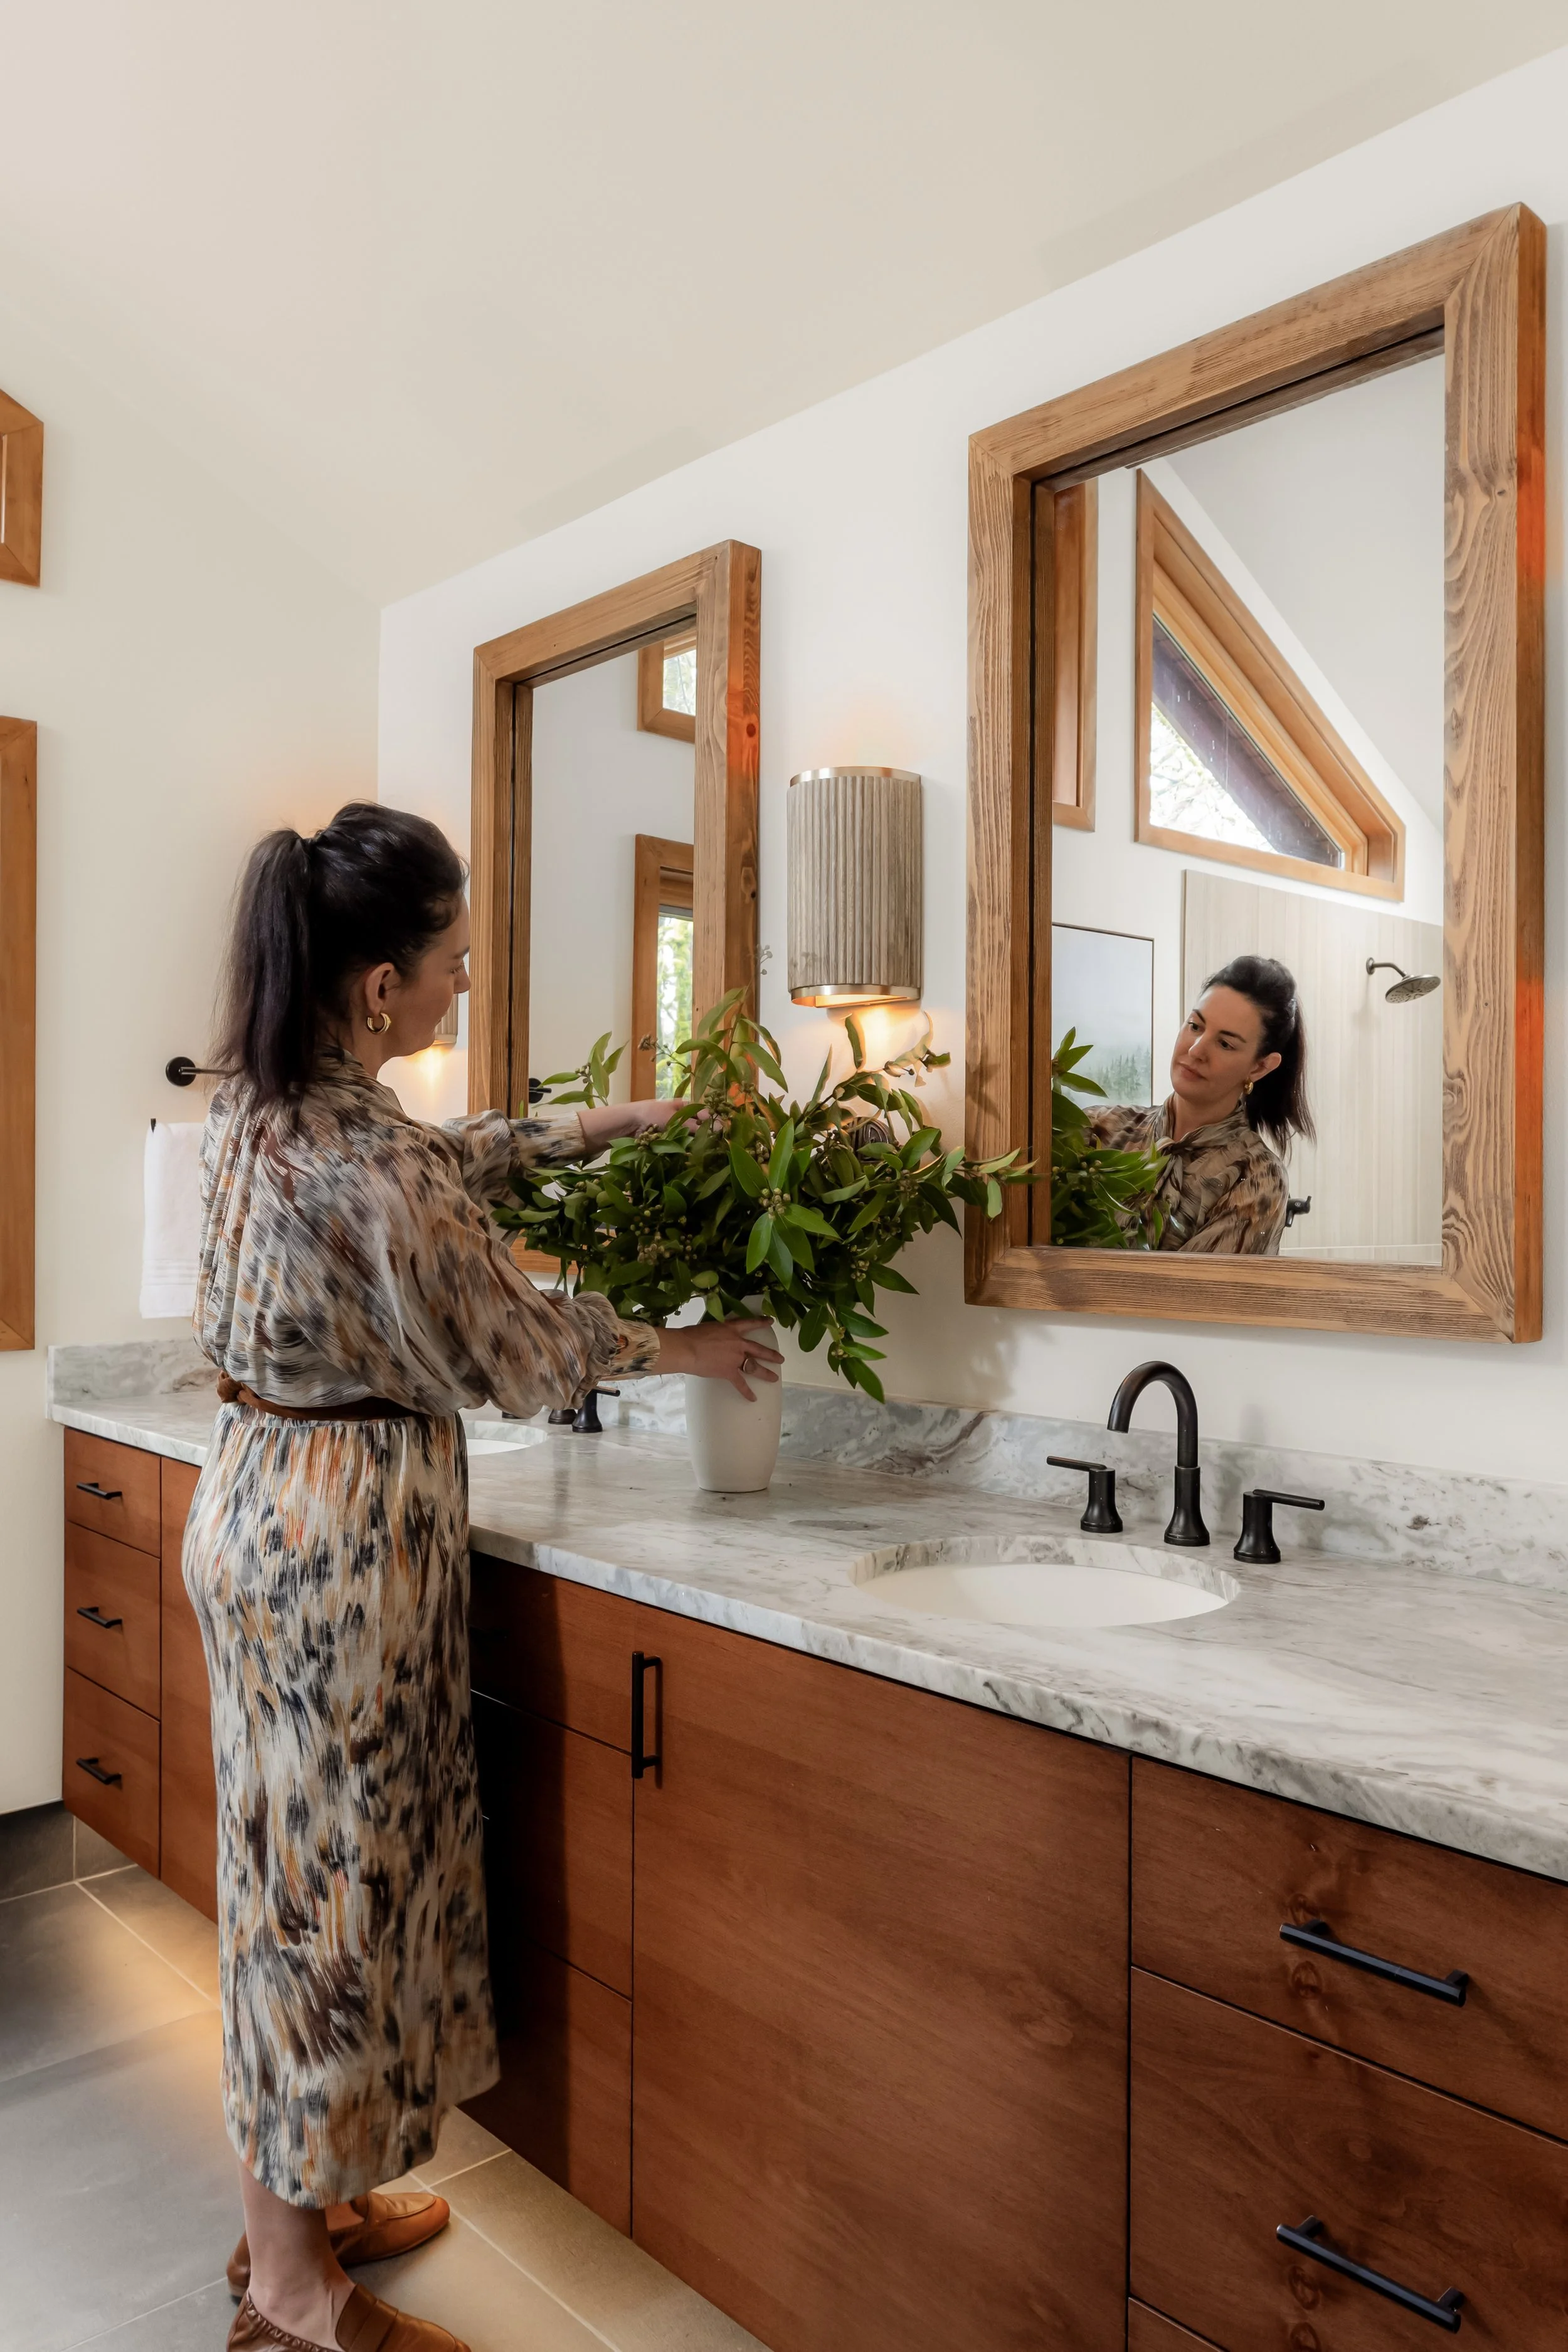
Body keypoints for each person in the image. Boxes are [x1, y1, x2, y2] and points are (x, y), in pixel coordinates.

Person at [186, 803, 781, 2352]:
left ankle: (298, 2202)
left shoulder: (269, 1100)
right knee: (326, 1908)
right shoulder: (367, 1159)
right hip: (338, 1542)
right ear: (379, 984)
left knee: (290, 1884)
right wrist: (685, 1343)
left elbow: (440, 1166)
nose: (463, 986)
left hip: (257, 1501)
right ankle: (291, 2295)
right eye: (451, 963)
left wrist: (597, 1126)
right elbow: (518, 1350)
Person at [1087, 954, 1312, 1255]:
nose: (1195, 1050)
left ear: (1259, 1068)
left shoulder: (1257, 1178)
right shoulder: (1100, 1129)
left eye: (1225, 1044)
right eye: (1195, 1026)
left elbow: (1188, 1297)